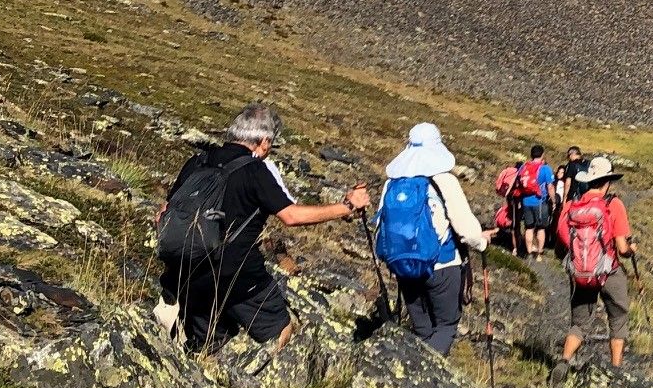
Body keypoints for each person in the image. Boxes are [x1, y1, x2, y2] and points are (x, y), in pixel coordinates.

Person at [156, 102, 368, 353]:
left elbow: (164, 212)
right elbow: (291, 215)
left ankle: (205, 384)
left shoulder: (198, 161)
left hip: (187, 270)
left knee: (206, 344)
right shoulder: (255, 170)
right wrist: (347, 206)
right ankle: (263, 382)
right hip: (236, 273)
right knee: (279, 330)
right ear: (264, 141)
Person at [377, 122, 490, 354]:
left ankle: (409, 373)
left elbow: (382, 226)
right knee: (446, 326)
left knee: (422, 329)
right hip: (443, 263)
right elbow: (467, 230)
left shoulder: (392, 183)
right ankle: (421, 380)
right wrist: (482, 243)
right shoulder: (443, 180)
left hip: (403, 265)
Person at [558, 157, 636, 369]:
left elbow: (564, 236)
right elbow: (622, 248)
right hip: (609, 270)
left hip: (581, 272)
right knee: (618, 317)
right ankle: (616, 369)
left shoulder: (572, 205)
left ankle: (564, 361)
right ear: (607, 181)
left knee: (579, 323)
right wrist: (631, 250)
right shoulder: (613, 204)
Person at [517, 144, 556, 259]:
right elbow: (550, 187)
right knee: (541, 228)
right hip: (540, 202)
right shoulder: (545, 169)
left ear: (531, 154)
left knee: (529, 227)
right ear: (542, 154)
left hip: (525, 201)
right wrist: (553, 201)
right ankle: (539, 252)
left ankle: (529, 251)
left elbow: (519, 184)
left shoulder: (523, 167)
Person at [556, 145, 586, 215]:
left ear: (572, 154)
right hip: (585, 195)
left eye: (569, 155)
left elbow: (568, 183)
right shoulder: (587, 163)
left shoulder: (572, 165)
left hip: (573, 195)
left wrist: (564, 198)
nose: (568, 158)